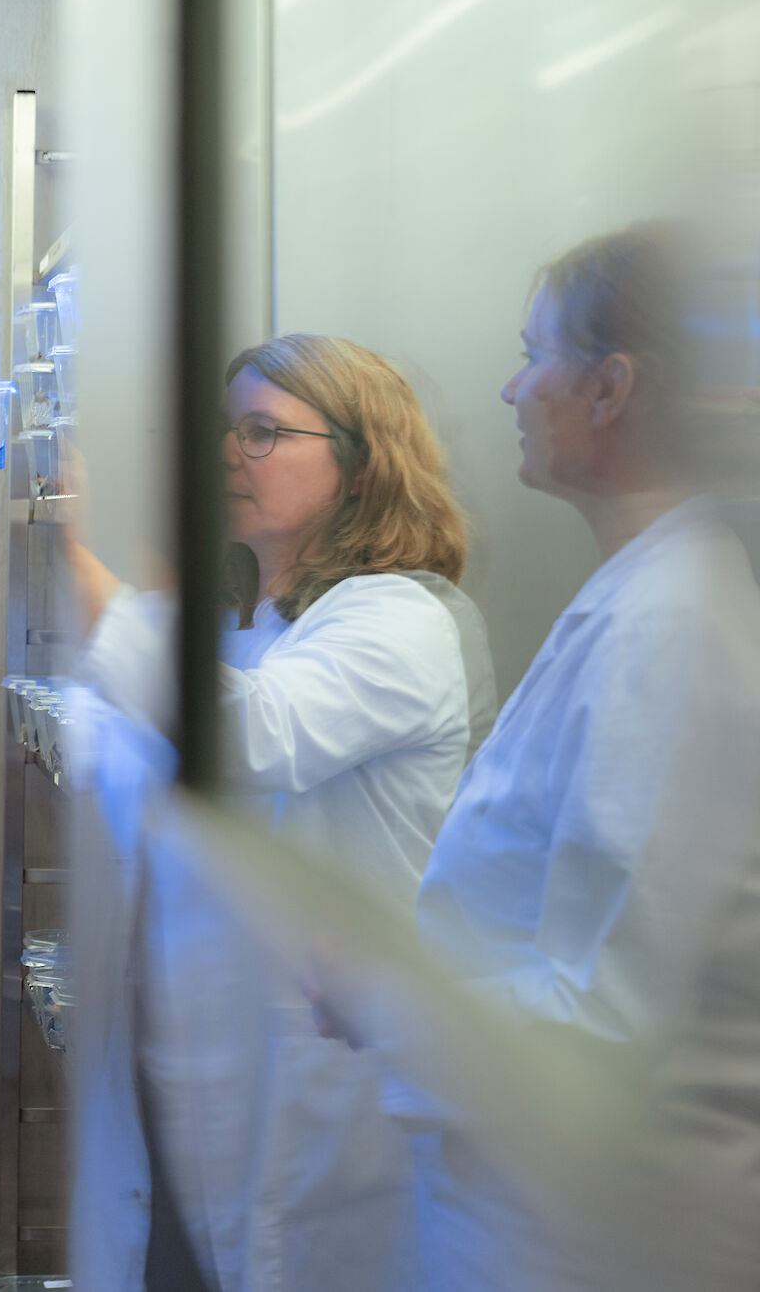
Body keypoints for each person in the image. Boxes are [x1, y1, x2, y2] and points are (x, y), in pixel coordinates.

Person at [70, 333, 495, 1291]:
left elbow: (253, 734)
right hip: (206, 1084)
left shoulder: (401, 619)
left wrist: (79, 567)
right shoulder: (254, 630)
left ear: (361, 464)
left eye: (262, 431)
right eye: (227, 429)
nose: (229, 453)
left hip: (329, 1099)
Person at [403, 224, 760, 1292]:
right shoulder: (644, 595)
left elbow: (607, 1010)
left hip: (601, 1234)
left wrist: (388, 993)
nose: (511, 387)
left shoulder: (669, 624)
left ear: (610, 387)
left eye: (534, 354)